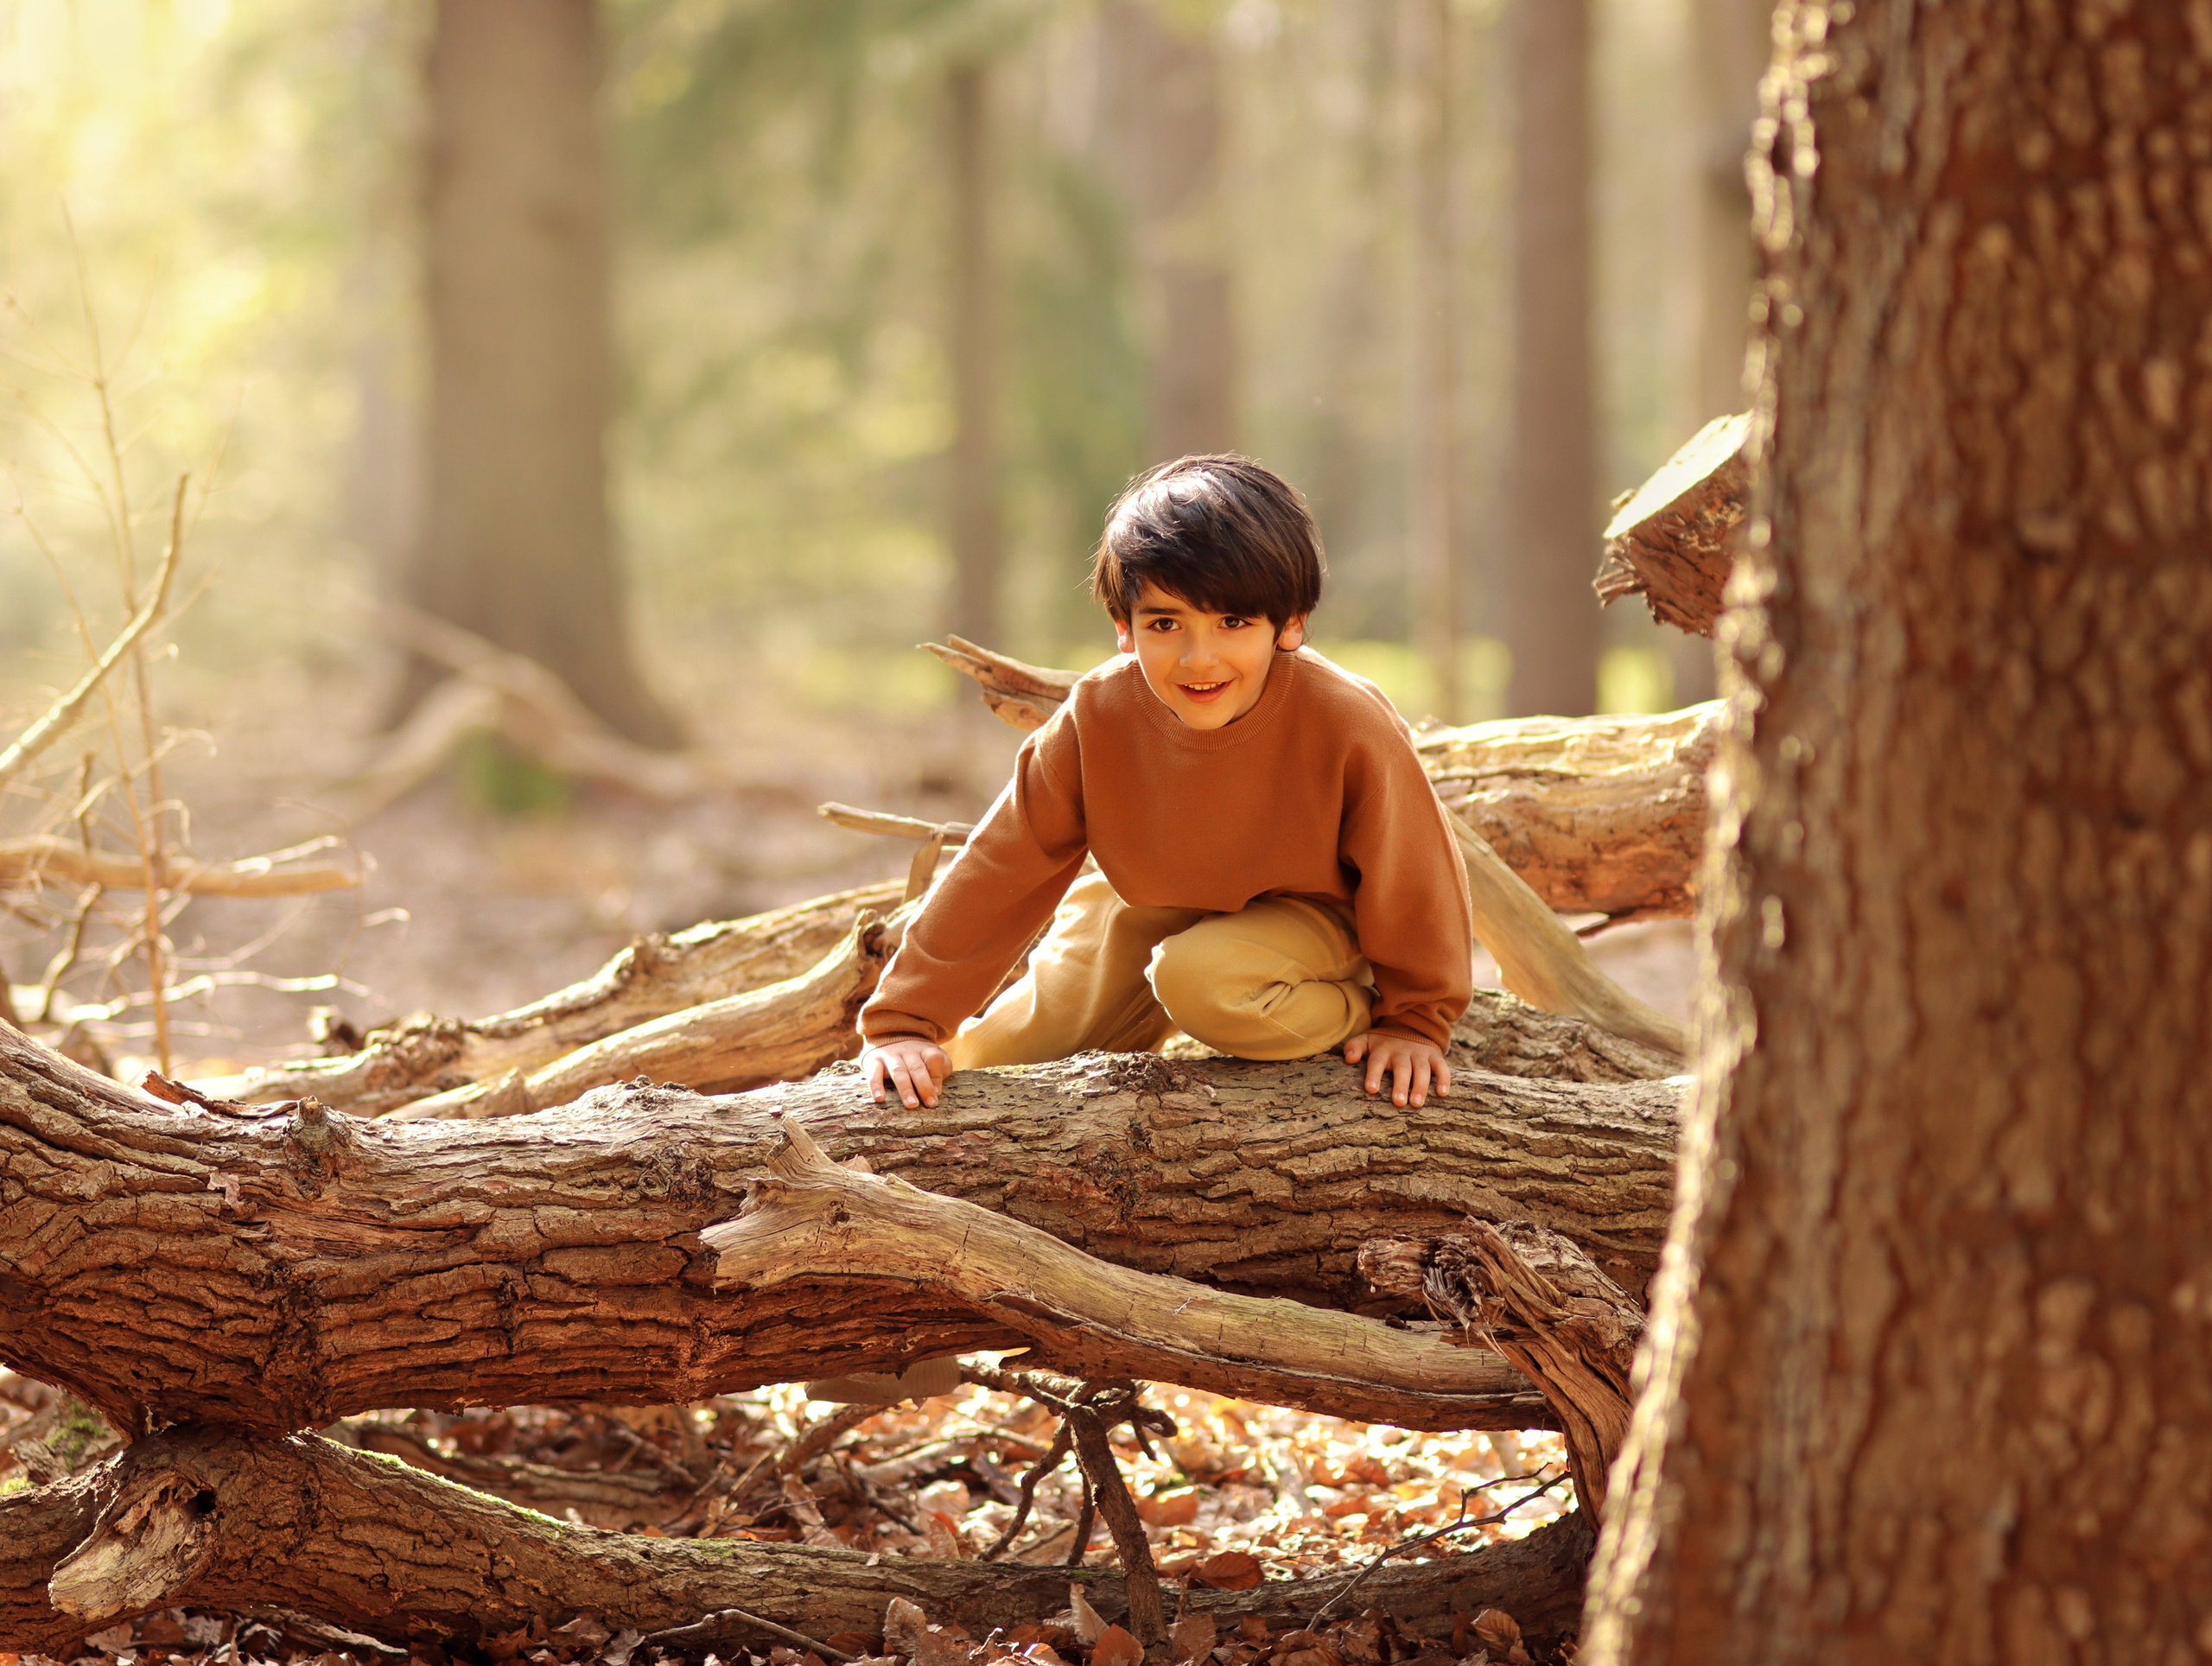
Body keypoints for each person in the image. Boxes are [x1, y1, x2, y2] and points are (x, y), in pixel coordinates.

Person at [859, 454, 1472, 1114]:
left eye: (1233, 623)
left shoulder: (1344, 720)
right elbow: (1005, 859)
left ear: (1290, 623)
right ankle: (1074, 1028)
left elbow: (1413, 870)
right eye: (1165, 623)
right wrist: (905, 1022)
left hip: (1312, 911)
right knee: (996, 1055)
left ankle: (1350, 1010)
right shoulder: (1099, 716)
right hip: (1148, 897)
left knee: (1202, 980)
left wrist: (1415, 1021)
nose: (1198, 657)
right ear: (1124, 627)